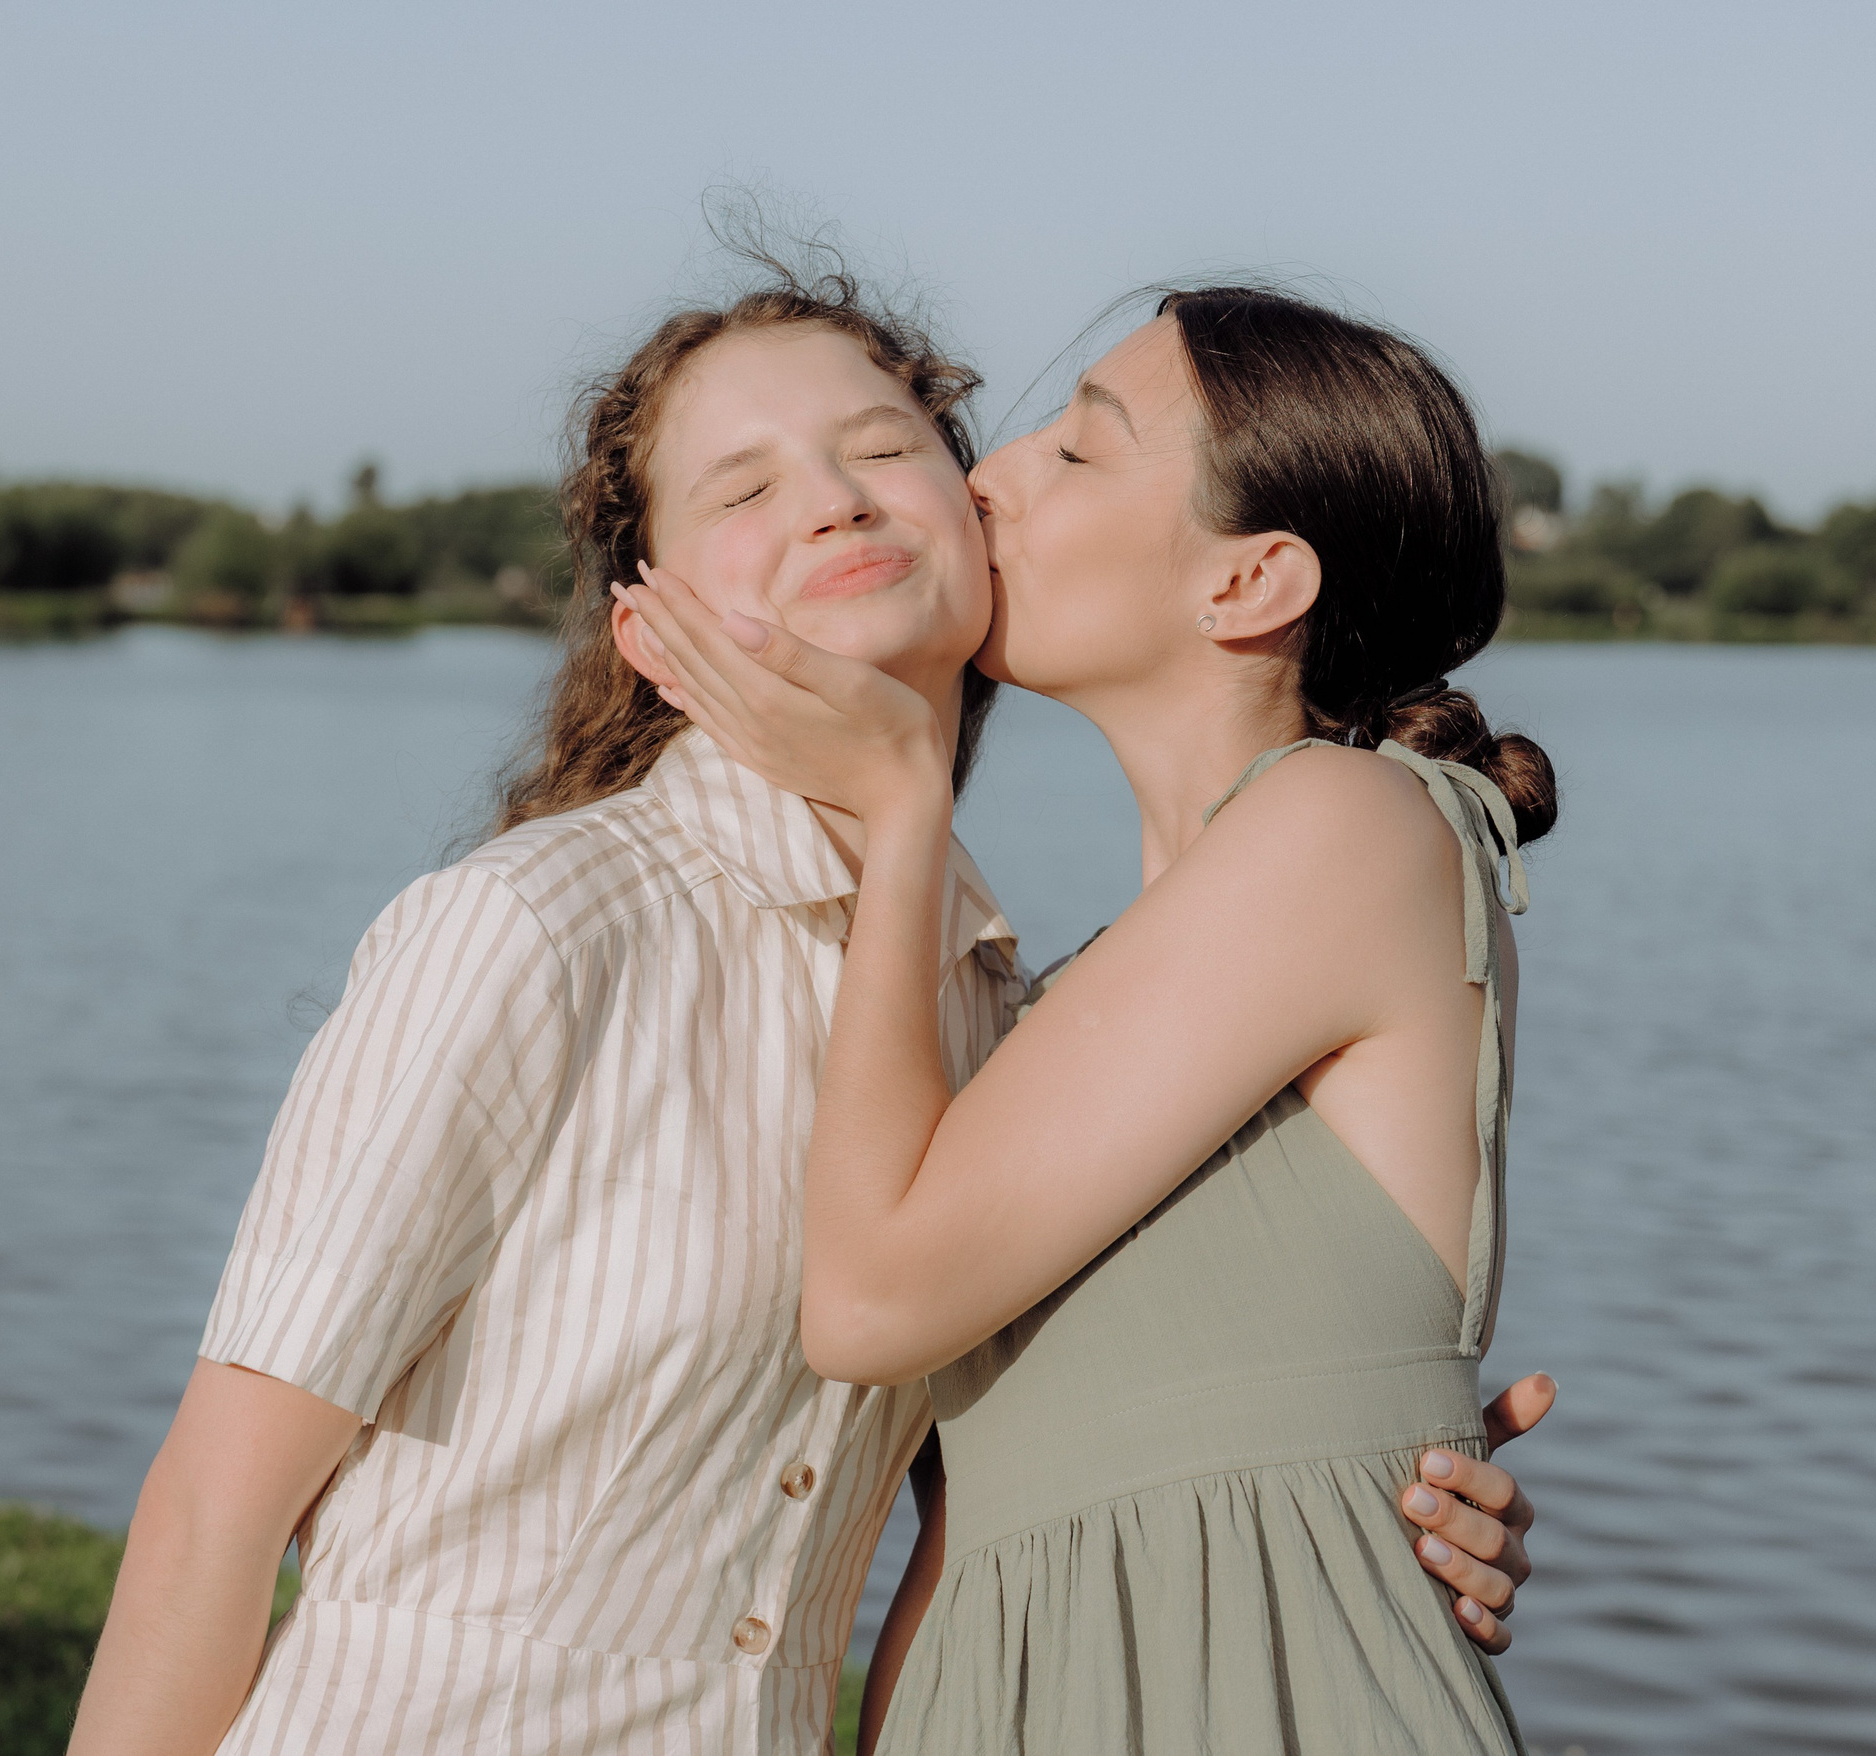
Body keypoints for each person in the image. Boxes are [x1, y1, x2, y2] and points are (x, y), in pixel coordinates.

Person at [68, 266, 1549, 1756]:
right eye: (741, 489)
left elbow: (966, 1468)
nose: (981, 478)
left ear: (1246, 582)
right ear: (650, 618)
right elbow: (211, 1512)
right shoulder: (537, 928)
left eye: (904, 448)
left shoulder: (1009, 997)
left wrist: (1346, 1465)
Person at [620, 282, 1552, 1754]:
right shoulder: (1071, 1007)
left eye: (1077, 448)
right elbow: (983, 1519)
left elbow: (864, 1304)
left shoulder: (1351, 822)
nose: (988, 473)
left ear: (1249, 583)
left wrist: (904, 801)